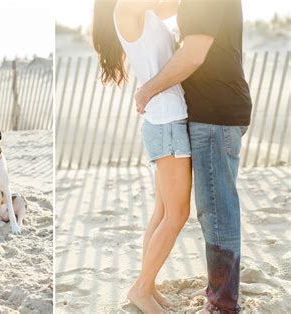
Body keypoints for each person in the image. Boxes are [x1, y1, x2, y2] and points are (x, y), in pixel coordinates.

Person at [134, 0, 252, 313]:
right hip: (213, 113)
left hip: (216, 115)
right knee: (215, 208)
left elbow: (195, 52)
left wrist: (149, 89)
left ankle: (223, 303)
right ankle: (221, 293)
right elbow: (162, 10)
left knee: (216, 211)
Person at [92, 1, 190, 313]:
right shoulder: (126, 7)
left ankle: (148, 286)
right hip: (166, 120)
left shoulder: (141, 12)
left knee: (163, 212)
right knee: (177, 214)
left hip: (166, 118)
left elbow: (171, 8)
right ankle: (141, 288)